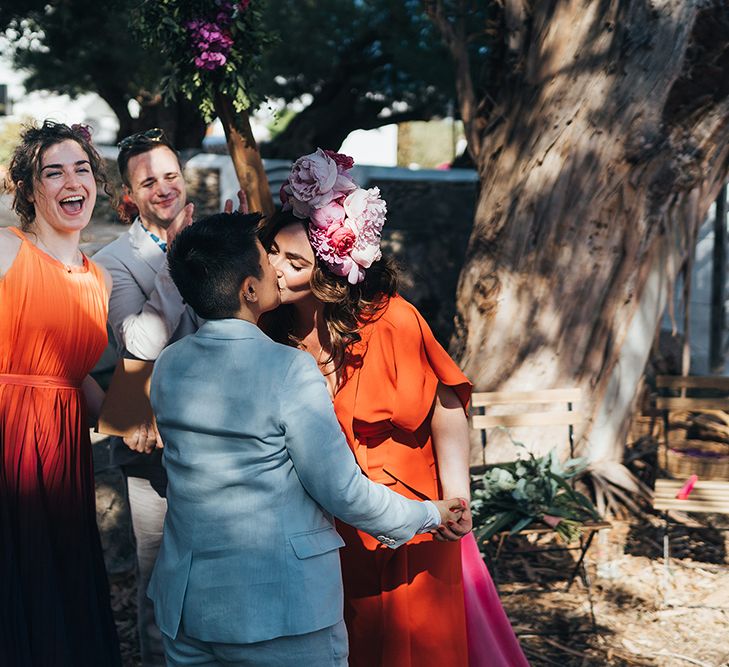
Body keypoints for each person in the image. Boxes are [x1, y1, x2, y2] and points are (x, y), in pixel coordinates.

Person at [147, 211, 468, 667]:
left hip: (189, 606)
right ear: (249, 290)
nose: (274, 267)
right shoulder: (288, 367)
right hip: (281, 610)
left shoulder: (169, 364)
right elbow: (343, 491)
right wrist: (426, 513)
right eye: (266, 257)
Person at [262, 148, 529, 667]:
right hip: (323, 528)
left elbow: (447, 401)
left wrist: (456, 496)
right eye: (271, 250)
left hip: (410, 522)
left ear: (330, 272)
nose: (273, 267)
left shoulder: (392, 320)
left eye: (293, 262)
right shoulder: (269, 328)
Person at [0, 120, 121, 666]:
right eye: (54, 171)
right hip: (7, 440)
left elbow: (75, 379)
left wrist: (142, 423)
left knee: (58, 580)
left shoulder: (102, 280)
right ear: (29, 189)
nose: (72, 181)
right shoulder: (6, 250)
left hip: (63, 450)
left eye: (81, 169)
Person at [93, 127, 195, 666]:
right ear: (127, 196)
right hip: (149, 434)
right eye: (148, 181)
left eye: (171, 176)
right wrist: (179, 261)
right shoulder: (113, 260)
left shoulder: (213, 234)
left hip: (222, 433)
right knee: (160, 579)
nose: (164, 189)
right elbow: (136, 342)